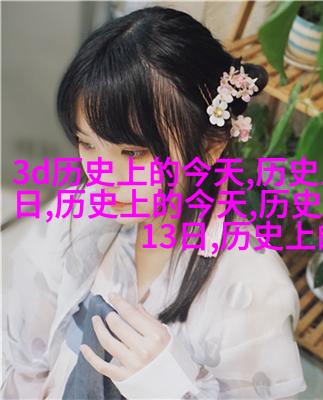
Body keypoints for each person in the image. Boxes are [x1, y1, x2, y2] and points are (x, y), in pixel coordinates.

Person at [1, 6, 306, 399]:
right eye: (87, 144)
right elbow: (20, 358)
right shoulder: (78, 212)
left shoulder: (253, 290)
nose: (103, 177)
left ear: (210, 146)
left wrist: (165, 386)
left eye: (132, 154)